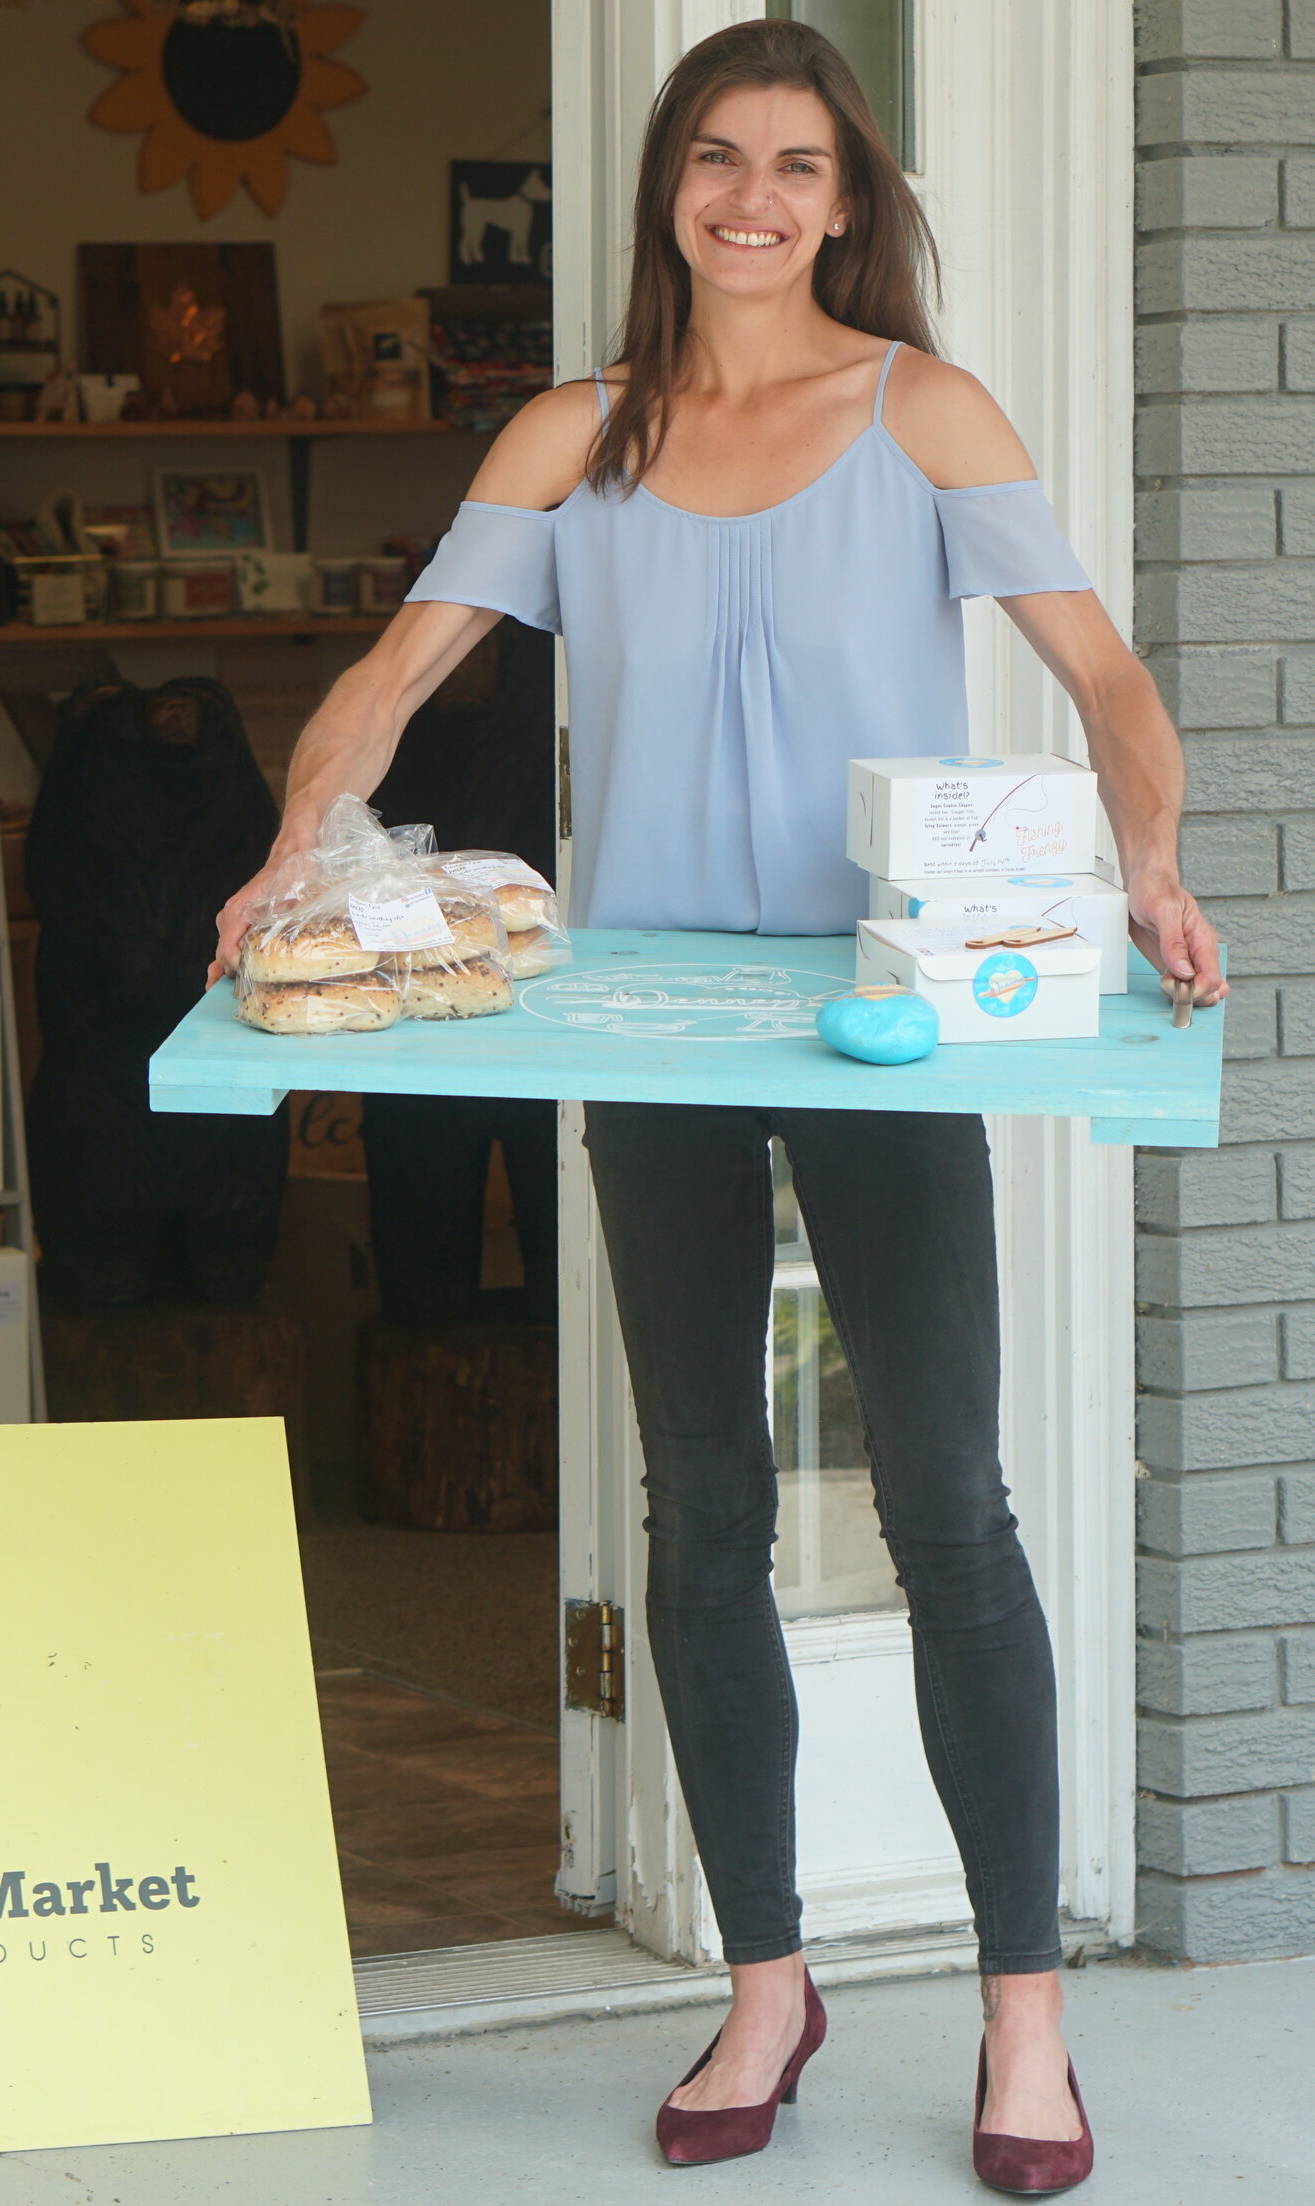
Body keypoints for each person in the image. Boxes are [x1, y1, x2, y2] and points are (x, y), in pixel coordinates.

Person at [212, 18, 1225, 2196]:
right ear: (668, 187)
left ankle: (1021, 2015)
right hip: (648, 1024)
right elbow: (394, 674)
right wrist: (299, 850)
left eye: (796, 164)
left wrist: (1148, 856)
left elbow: (1108, 679)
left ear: (848, 200)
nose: (751, 196)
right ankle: (766, 1976)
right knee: (703, 1507)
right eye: (714, 159)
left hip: (887, 1007)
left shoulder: (922, 407)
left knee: (951, 1502)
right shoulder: (574, 437)